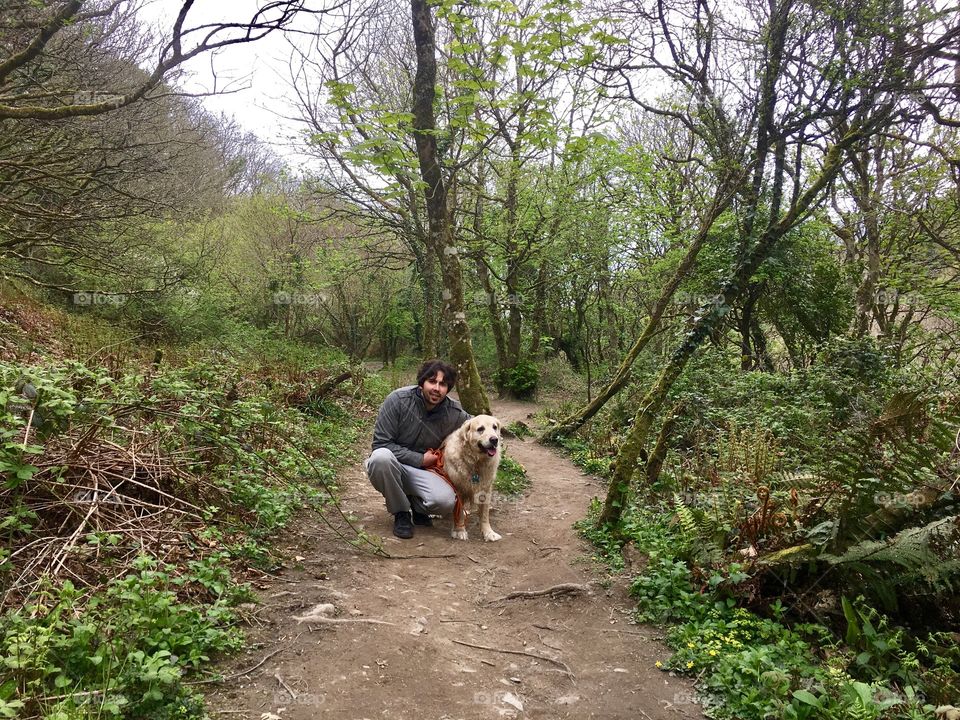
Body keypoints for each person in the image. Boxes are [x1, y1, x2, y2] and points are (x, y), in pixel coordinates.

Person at [365, 359, 471, 539]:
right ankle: (401, 512)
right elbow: (381, 444)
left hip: (426, 472)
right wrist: (420, 459)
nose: (437, 388)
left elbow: (475, 424)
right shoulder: (397, 400)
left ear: (448, 389)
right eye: (432, 381)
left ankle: (417, 506)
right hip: (393, 466)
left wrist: (493, 435)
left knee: (445, 502)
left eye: (443, 384)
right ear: (422, 382)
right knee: (380, 458)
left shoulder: (454, 412)